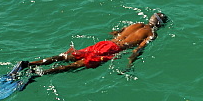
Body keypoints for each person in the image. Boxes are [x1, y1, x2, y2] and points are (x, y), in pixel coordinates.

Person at [22, 13, 168, 75]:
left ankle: (30, 63)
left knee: (69, 56)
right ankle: (39, 73)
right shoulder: (152, 34)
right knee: (75, 65)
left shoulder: (136, 23)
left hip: (105, 43)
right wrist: (130, 62)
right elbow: (138, 49)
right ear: (160, 25)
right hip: (113, 49)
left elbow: (115, 33)